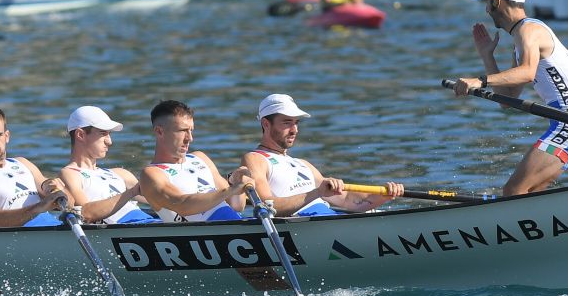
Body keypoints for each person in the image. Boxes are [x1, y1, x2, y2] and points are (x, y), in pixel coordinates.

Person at [449, 0, 568, 195]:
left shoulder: (530, 31)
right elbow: (508, 99)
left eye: (487, 3)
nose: (487, 10)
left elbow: (527, 73)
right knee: (528, 195)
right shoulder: (520, 39)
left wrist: (479, 81)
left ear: (496, 1)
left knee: (513, 191)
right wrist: (488, 57)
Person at [242, 95, 401, 217]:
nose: (294, 130)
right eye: (287, 123)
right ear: (266, 124)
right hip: (305, 224)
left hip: (326, 217)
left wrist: (384, 195)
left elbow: (346, 200)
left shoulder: (302, 164)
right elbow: (266, 205)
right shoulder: (255, 159)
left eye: (296, 122)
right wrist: (317, 192)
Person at [138, 100, 251, 223]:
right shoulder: (151, 174)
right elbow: (182, 205)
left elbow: (237, 206)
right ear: (159, 131)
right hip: (205, 234)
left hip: (233, 225)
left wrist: (237, 182)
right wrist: (230, 190)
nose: (190, 138)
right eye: (182, 131)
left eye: (191, 130)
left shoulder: (200, 157)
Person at [0, 104, 68, 228]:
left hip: (53, 226)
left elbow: (64, 199)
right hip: (21, 237)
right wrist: (39, 207)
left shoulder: (22, 163)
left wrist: (58, 190)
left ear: (7, 136)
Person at [58, 106, 157, 225]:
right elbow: (87, 213)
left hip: (148, 221)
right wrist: (131, 192)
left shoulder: (120, 174)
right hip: (128, 227)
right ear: (80, 135)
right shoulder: (70, 174)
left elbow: (161, 200)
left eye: (109, 134)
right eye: (103, 133)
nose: (109, 141)